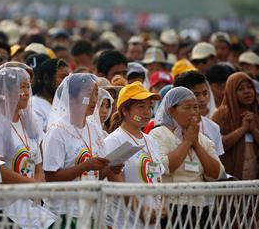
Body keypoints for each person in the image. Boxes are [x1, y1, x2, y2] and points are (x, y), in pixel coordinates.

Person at [149, 86, 225, 227]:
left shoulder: (203, 139)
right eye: (187, 108)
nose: (193, 113)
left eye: (195, 108)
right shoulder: (158, 134)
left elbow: (217, 173)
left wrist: (196, 144)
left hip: (200, 209)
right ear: (171, 111)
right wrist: (187, 142)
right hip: (171, 208)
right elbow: (163, 167)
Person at [42, 73, 111, 225]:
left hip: (91, 211)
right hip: (65, 214)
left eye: (96, 94)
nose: (94, 100)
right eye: (88, 94)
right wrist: (85, 166)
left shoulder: (93, 127)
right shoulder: (58, 131)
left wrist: (110, 168)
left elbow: (95, 175)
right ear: (71, 99)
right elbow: (51, 177)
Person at [105, 81, 165, 227]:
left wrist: (162, 205)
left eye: (150, 107)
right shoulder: (114, 140)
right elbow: (117, 182)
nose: (147, 112)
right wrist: (141, 209)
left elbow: (158, 177)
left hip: (151, 221)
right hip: (125, 222)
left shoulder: (150, 139)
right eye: (141, 106)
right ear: (125, 110)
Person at [0, 63, 44, 183]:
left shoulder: (28, 120)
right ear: (4, 92)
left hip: (32, 199)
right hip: (7, 199)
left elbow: (38, 166)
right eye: (22, 87)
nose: (27, 92)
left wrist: (37, 187)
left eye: (28, 87)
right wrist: (33, 186)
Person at [211, 72, 259, 180]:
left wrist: (254, 130)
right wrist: (242, 129)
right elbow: (216, 146)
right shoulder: (221, 116)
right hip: (230, 183)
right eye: (241, 89)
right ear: (231, 92)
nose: (247, 91)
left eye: (250, 87)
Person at [174, 71, 224, 156]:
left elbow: (218, 164)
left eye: (205, 93)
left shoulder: (213, 127)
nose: (202, 99)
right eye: (196, 95)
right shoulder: (169, 127)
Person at [32, 58, 70, 132]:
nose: (66, 81)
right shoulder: (34, 104)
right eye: (62, 77)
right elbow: (39, 137)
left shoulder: (64, 102)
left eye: (68, 77)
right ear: (46, 79)